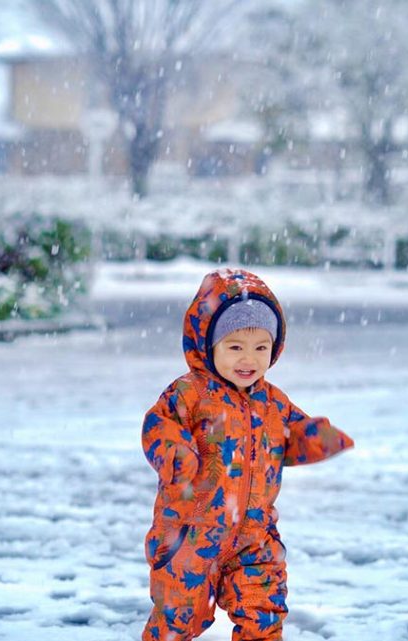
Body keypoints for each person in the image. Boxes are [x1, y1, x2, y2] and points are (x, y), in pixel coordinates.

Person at [140, 268, 354, 641]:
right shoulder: (189, 394)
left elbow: (292, 434)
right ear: (209, 346)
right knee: (177, 618)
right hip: (191, 536)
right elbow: (158, 427)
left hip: (254, 535)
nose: (249, 359)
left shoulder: (272, 401)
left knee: (264, 610)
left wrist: (317, 439)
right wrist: (174, 453)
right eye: (235, 346)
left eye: (261, 347)